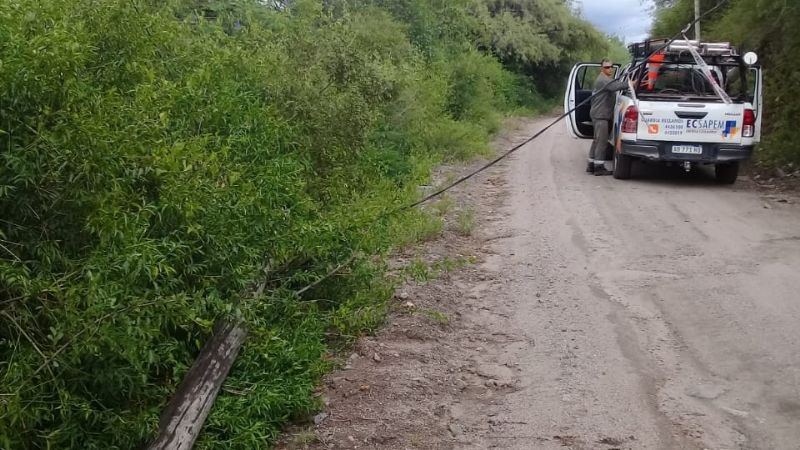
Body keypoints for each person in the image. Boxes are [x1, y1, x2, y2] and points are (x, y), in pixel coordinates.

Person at [588, 59, 630, 176]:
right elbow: (616, 86)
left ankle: (591, 165)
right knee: (601, 142)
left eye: (611, 67)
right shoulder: (603, 80)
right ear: (602, 69)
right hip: (600, 116)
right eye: (606, 67)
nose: (609, 69)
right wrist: (630, 83)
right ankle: (598, 167)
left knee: (597, 140)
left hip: (598, 114)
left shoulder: (604, 79)